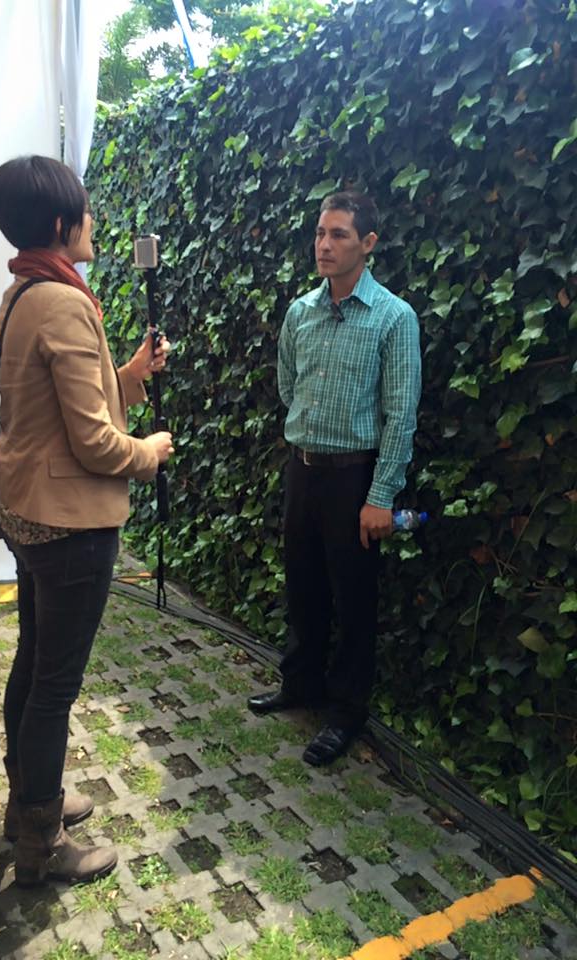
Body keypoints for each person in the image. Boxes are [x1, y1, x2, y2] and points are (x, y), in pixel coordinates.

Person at [0, 155, 174, 887]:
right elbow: (95, 443)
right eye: (87, 212)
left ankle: (28, 802)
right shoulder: (64, 302)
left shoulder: (23, 292)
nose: (94, 222)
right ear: (64, 223)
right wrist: (149, 452)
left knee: (34, 664)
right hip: (70, 528)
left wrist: (129, 377)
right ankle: (42, 840)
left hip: (27, 511)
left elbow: (55, 410)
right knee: (54, 686)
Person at [248, 191, 421, 766]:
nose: (324, 245)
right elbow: (288, 385)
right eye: (321, 232)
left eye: (339, 234)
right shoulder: (301, 312)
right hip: (303, 471)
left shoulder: (394, 318)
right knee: (303, 585)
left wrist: (381, 495)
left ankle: (346, 712)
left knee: (353, 599)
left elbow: (401, 414)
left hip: (355, 479)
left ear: (368, 244)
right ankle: (301, 685)